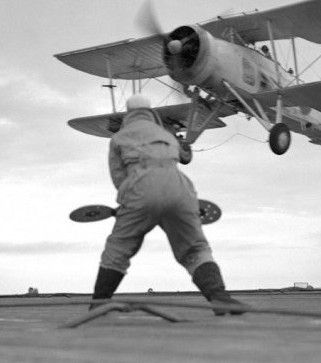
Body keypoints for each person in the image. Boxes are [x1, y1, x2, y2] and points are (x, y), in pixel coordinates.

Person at [90, 94, 247, 315]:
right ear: (151, 112)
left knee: (118, 249)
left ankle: (99, 304)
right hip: (180, 189)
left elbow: (119, 180)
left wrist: (126, 207)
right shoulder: (167, 135)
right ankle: (220, 298)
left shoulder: (119, 139)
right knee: (195, 248)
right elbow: (179, 158)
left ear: (128, 114)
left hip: (140, 189)